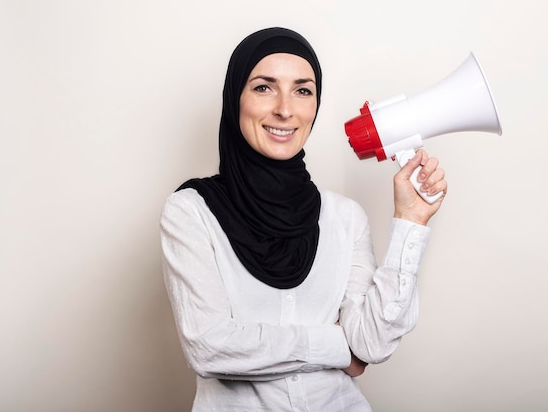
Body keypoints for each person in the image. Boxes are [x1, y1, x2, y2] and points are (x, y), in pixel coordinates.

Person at [160, 27, 447, 412]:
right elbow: (208, 347)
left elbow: (372, 344)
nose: (285, 109)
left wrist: (411, 219)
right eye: (264, 87)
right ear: (235, 99)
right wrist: (335, 347)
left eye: (303, 90)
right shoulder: (192, 212)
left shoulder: (345, 218)